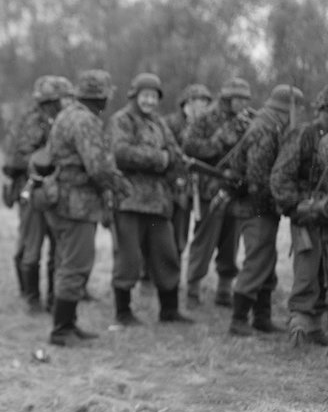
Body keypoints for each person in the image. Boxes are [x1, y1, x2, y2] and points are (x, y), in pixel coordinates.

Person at [43, 69, 131, 345]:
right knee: (76, 265)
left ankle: (68, 323)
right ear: (100, 96)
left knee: (68, 263)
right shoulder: (85, 120)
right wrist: (121, 185)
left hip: (64, 200)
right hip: (77, 205)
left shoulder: (68, 114)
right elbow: (98, 167)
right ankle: (61, 330)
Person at [107, 73, 191, 325]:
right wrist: (159, 159)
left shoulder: (159, 123)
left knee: (167, 254)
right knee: (128, 259)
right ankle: (123, 312)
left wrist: (171, 162)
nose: (150, 101)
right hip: (129, 201)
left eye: (154, 97)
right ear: (134, 96)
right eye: (145, 96)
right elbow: (121, 153)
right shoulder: (121, 120)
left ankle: (169, 310)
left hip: (157, 203)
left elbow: (175, 154)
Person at [227, 84, 304, 336]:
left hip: (259, 206)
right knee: (257, 260)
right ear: (288, 109)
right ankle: (238, 319)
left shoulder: (270, 125)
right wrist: (281, 202)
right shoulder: (265, 129)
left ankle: (262, 317)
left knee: (266, 261)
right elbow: (258, 176)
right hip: (255, 206)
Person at [3, 75, 74, 313]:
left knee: (57, 248)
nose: (68, 102)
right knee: (32, 247)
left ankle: (54, 298)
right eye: (64, 98)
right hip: (33, 191)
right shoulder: (32, 122)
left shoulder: (61, 120)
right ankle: (32, 298)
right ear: (51, 100)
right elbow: (19, 158)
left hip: (55, 191)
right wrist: (45, 160)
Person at [182, 78, 255, 307]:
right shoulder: (206, 118)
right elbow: (190, 147)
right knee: (204, 241)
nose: (242, 103)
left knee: (230, 242)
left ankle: (224, 290)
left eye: (245, 99)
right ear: (227, 98)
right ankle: (193, 289)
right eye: (238, 99)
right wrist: (221, 139)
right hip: (210, 188)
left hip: (236, 189)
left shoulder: (249, 119)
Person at [270, 85, 328, 345]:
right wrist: (297, 207)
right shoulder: (304, 134)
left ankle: (315, 327)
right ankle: (299, 325)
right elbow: (280, 176)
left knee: (324, 273)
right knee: (307, 271)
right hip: (306, 215)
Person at [163, 83, 212, 259]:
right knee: (175, 234)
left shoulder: (206, 125)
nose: (205, 105)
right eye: (202, 101)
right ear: (189, 101)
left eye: (207, 101)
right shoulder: (170, 122)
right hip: (175, 187)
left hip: (198, 187)